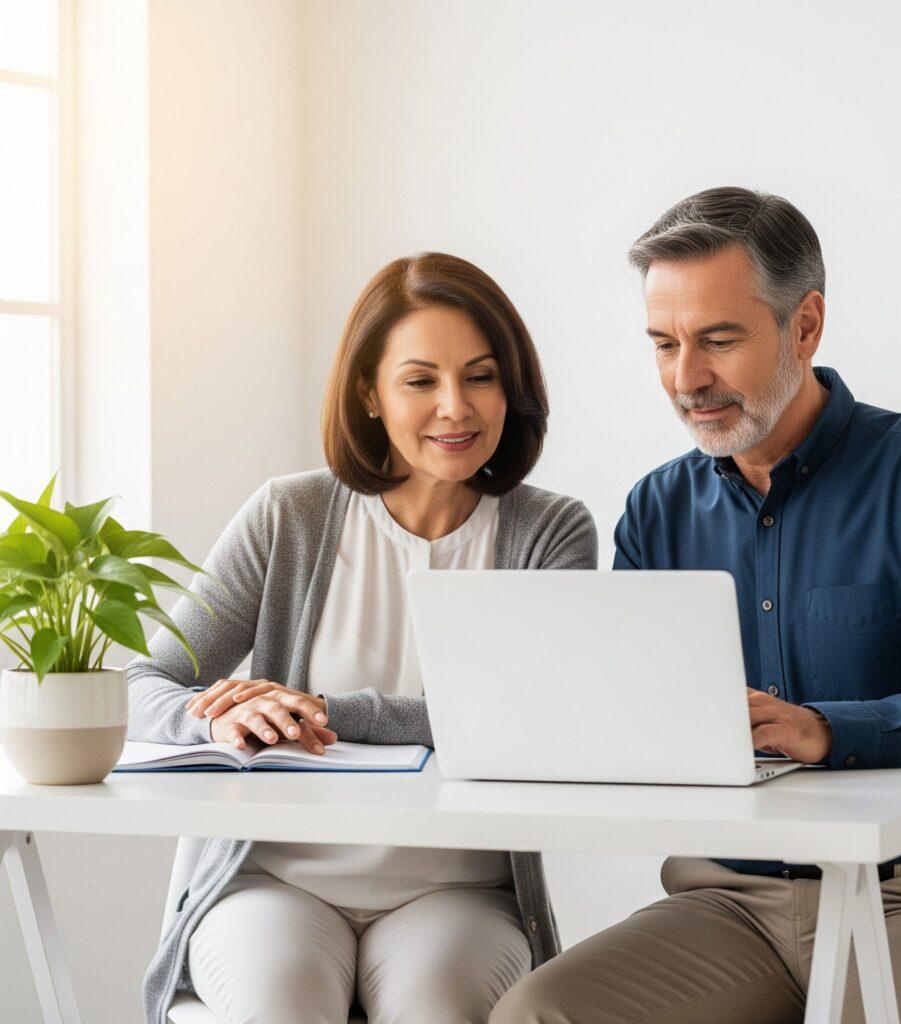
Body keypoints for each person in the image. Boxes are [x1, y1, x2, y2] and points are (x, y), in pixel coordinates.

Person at [491, 187, 901, 1023]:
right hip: (728, 902)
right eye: (663, 344)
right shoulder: (656, 513)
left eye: (718, 340)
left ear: (805, 325)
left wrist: (829, 728)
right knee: (539, 1013)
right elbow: (635, 725)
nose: (685, 379)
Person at [128, 252, 597, 1024]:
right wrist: (214, 715)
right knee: (282, 1004)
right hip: (273, 882)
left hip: (459, 894)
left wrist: (322, 709)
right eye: (421, 381)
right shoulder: (290, 516)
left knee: (436, 1007)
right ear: (369, 395)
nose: (456, 407)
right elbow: (144, 685)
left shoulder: (550, 533)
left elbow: (531, 724)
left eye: (480, 376)